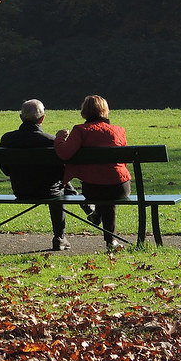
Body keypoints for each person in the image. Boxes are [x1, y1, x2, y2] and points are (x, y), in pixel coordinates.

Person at [0, 99, 91, 251]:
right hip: (49, 192)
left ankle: (82, 203)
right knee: (58, 186)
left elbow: (5, 169)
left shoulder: (7, 139)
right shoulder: (50, 141)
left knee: (57, 184)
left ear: (21, 118)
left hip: (21, 190)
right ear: (42, 118)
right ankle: (60, 237)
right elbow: (62, 171)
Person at [54, 95, 131, 251]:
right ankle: (110, 239)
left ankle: (97, 217)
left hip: (93, 188)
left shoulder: (80, 131)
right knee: (109, 194)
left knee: (102, 192)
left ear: (84, 112)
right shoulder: (118, 130)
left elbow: (64, 154)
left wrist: (60, 138)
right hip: (121, 187)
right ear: (105, 111)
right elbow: (124, 161)